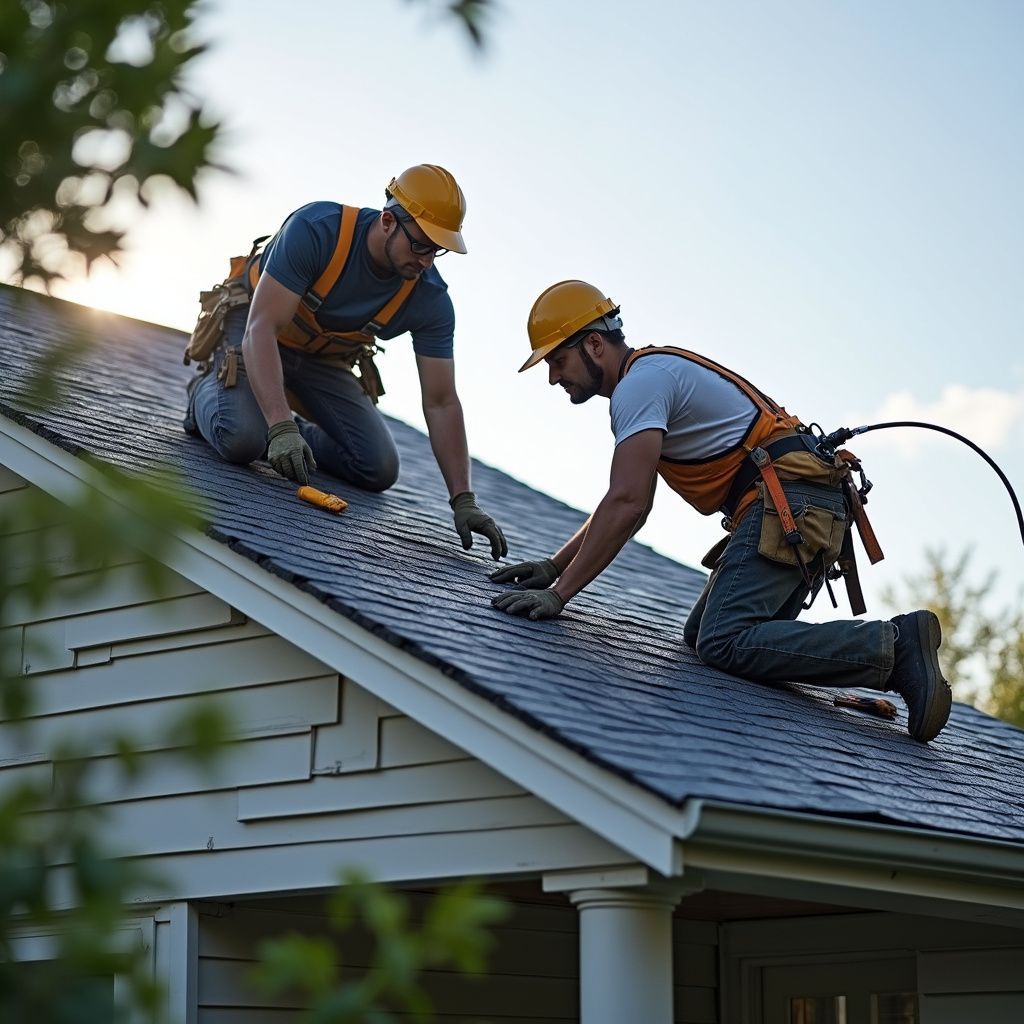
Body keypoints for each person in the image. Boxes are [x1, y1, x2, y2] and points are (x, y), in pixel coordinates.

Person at [490, 280, 952, 743]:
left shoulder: (639, 387)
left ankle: (894, 647)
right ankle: (889, 655)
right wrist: (554, 566)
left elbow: (629, 503)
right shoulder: (652, 374)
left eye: (557, 360)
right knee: (703, 637)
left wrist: (560, 594)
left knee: (722, 640)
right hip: (801, 507)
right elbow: (624, 503)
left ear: (593, 343)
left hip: (790, 507)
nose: (553, 377)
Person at [183, 164, 507, 560]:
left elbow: (441, 402)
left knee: (378, 466)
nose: (426, 261)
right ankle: (207, 392)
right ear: (388, 221)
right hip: (254, 329)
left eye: (437, 250)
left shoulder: (431, 301)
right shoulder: (318, 229)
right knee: (242, 439)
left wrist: (463, 499)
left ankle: (278, 426)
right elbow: (261, 328)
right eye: (421, 245)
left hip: (322, 358)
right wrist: (279, 427)